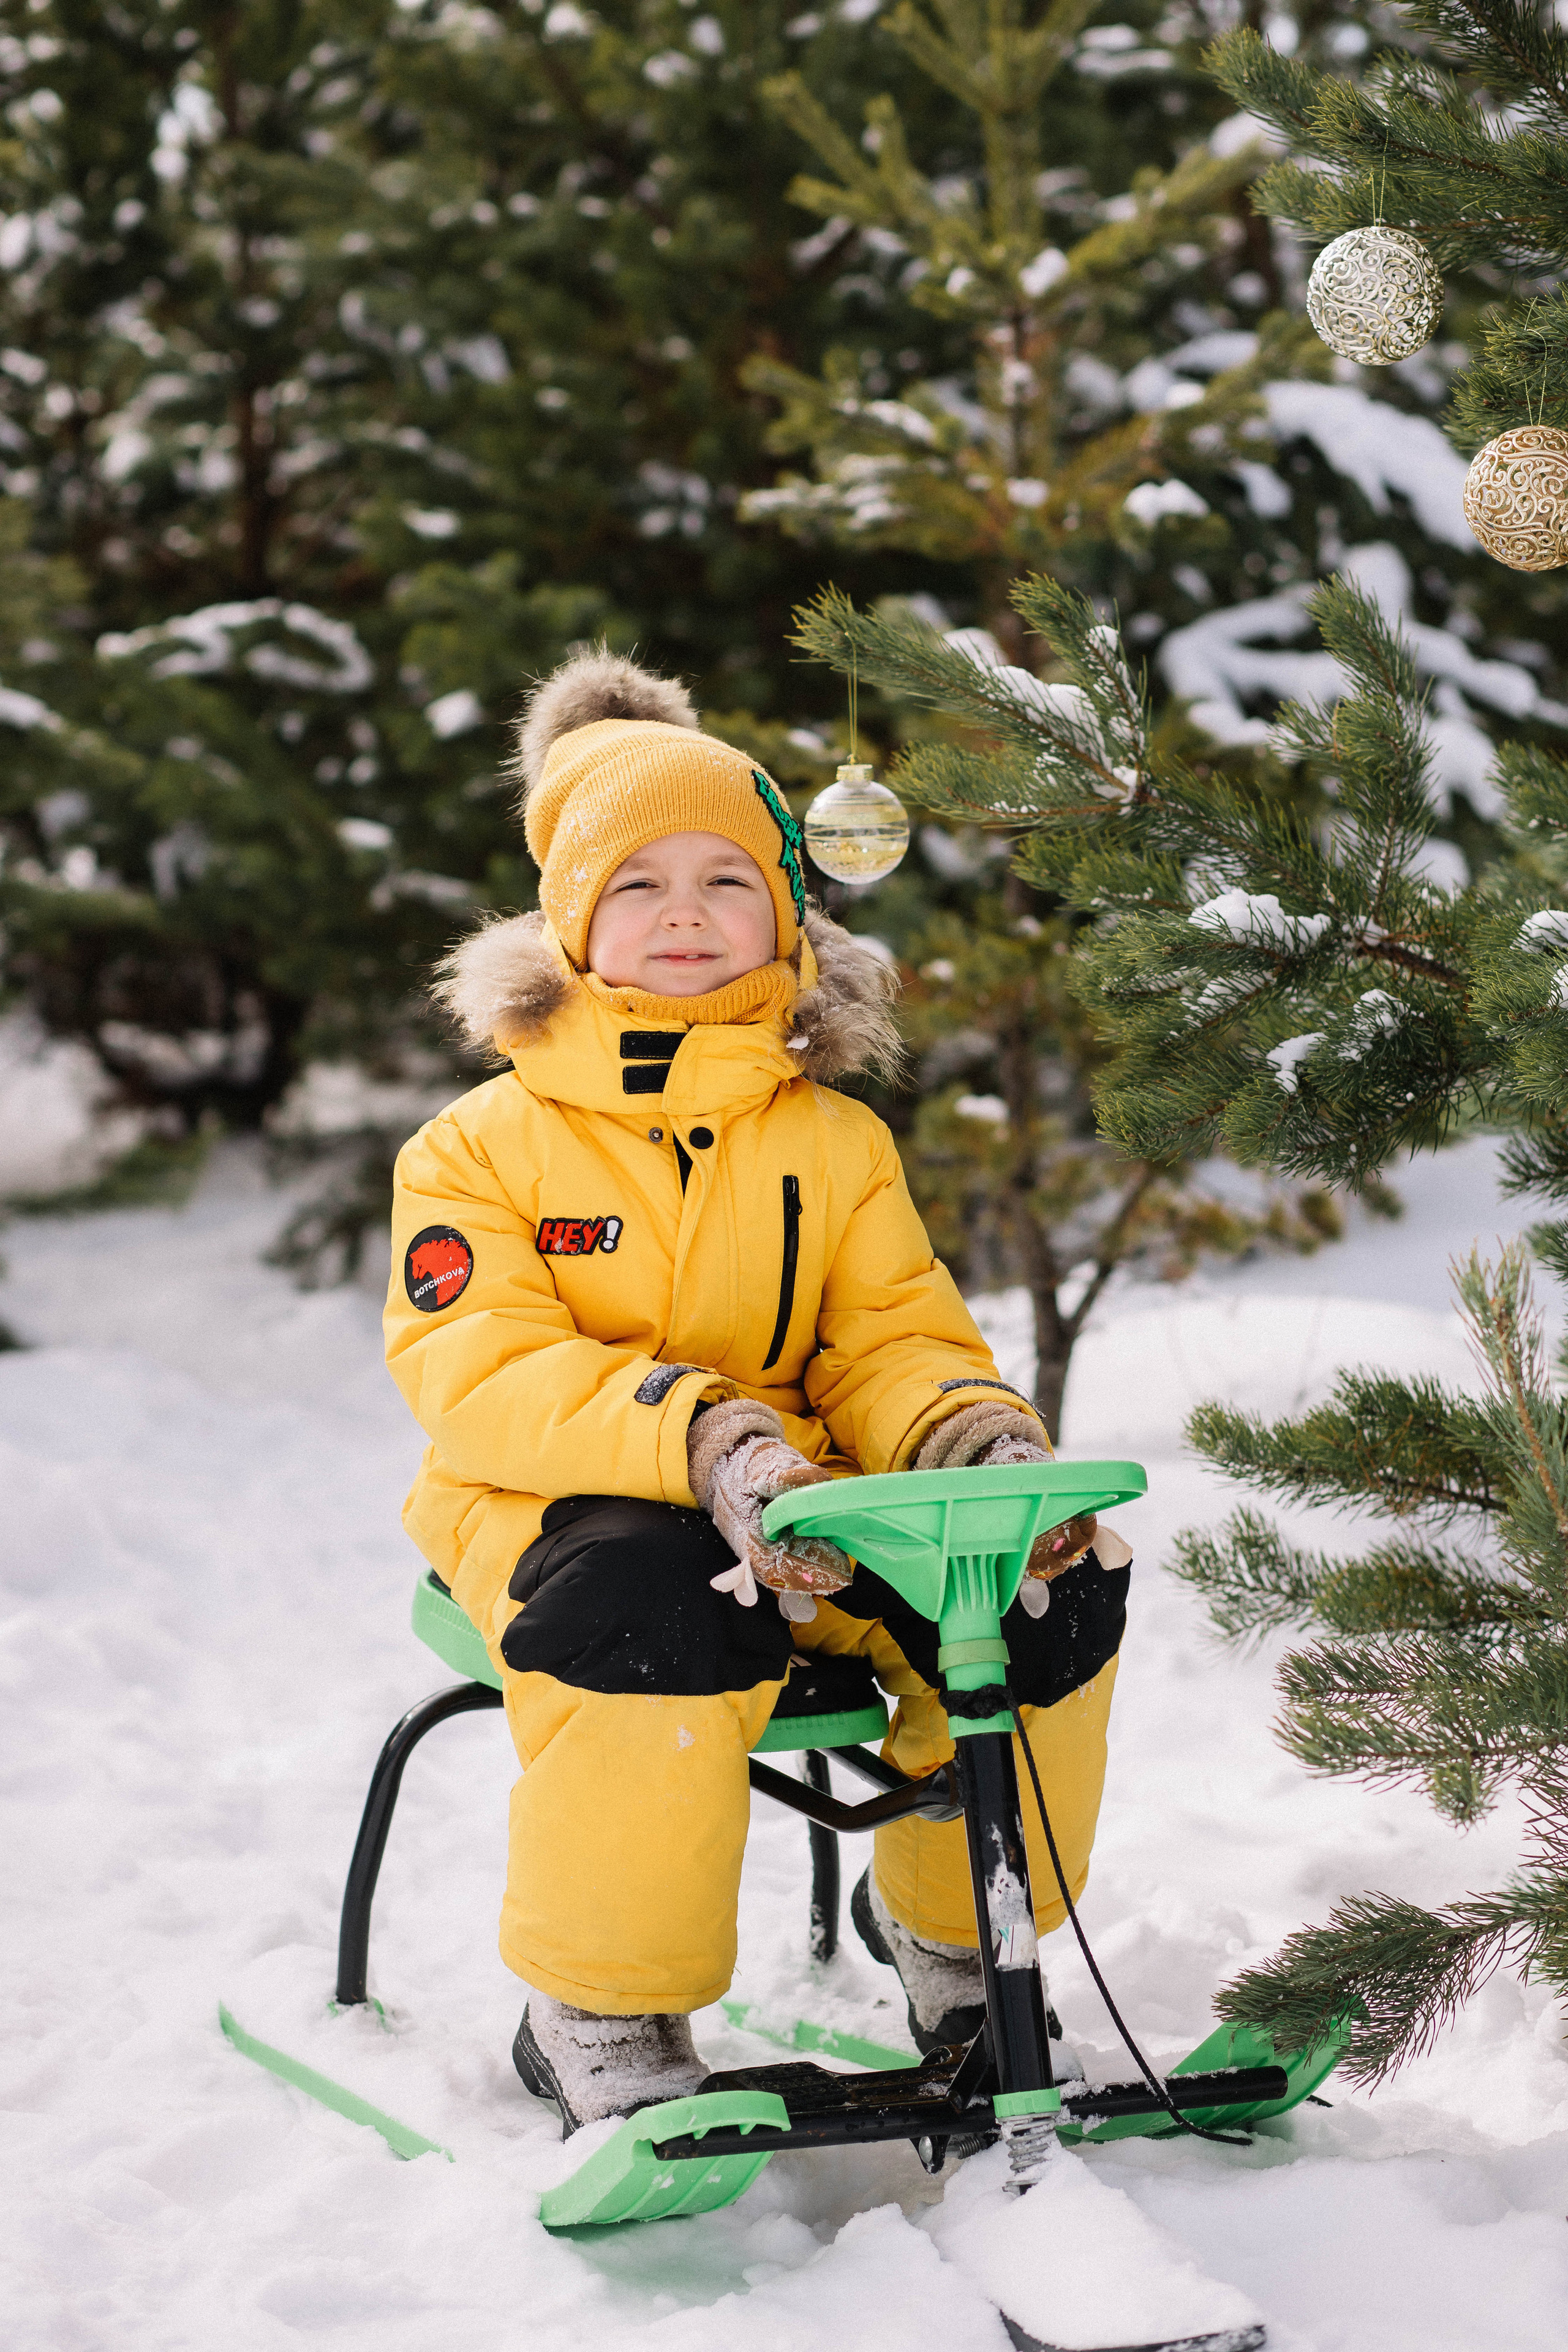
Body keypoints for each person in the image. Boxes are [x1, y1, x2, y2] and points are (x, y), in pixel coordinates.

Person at [382, 650, 1133, 2135]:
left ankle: (951, 1936)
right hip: (560, 1502)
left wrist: (963, 1432)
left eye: (726, 881)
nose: (683, 914)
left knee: (1041, 1597)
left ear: (785, 916)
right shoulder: (477, 1147)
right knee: (655, 1599)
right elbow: (486, 1375)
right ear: (572, 920)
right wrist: (705, 1439)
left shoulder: (833, 1139)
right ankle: (601, 2005)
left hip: (820, 1505)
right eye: (639, 884)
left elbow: (887, 1338)